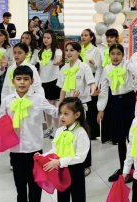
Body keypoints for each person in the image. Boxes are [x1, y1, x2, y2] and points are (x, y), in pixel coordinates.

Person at [0, 65, 58, 202]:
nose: (22, 82)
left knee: (34, 185)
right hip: (16, 150)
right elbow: (2, 121)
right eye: (19, 79)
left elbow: (54, 112)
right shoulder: (7, 100)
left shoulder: (38, 99)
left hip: (34, 150)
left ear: (32, 81)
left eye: (26, 79)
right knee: (19, 184)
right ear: (13, 81)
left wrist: (71, 105)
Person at [44, 97, 91, 202]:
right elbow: (55, 150)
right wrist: (43, 156)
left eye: (66, 113)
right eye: (60, 113)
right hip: (62, 172)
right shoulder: (59, 131)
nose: (62, 117)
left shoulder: (81, 133)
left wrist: (60, 162)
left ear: (77, 115)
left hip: (75, 171)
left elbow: (80, 157)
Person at [98, 43, 137, 182]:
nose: (115, 57)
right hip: (115, 103)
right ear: (109, 55)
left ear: (123, 55)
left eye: (118, 54)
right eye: (113, 54)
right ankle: (123, 169)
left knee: (131, 137)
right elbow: (104, 89)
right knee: (120, 138)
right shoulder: (107, 68)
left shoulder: (128, 65)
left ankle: (134, 169)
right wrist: (100, 109)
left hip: (129, 101)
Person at [58, 41, 97, 175]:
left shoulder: (84, 67)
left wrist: (93, 91)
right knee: (69, 134)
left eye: (72, 50)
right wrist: (61, 106)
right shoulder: (64, 69)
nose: (69, 53)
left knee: (83, 135)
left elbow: (92, 83)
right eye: (67, 50)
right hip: (67, 107)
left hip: (81, 106)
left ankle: (86, 164)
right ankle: (70, 160)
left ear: (78, 52)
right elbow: (62, 89)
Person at [37, 30, 63, 138]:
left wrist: (57, 61)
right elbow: (39, 68)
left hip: (54, 81)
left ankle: (56, 129)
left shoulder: (57, 51)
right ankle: (49, 128)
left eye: (48, 38)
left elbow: (58, 59)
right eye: (44, 38)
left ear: (52, 39)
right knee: (46, 106)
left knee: (54, 105)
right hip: (43, 82)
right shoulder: (39, 52)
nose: (46, 40)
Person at [98, 29, 121, 144]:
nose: (109, 39)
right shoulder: (103, 51)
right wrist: (98, 83)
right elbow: (100, 68)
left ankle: (116, 136)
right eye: (107, 37)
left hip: (117, 82)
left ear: (116, 38)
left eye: (111, 37)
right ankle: (107, 136)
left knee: (116, 110)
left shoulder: (121, 50)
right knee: (106, 108)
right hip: (105, 81)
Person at [80, 28, 102, 140]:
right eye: (82, 35)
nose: (83, 37)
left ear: (91, 37)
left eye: (86, 35)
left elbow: (99, 68)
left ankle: (92, 133)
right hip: (81, 79)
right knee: (83, 105)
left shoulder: (95, 50)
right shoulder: (79, 49)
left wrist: (95, 83)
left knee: (92, 107)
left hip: (92, 79)